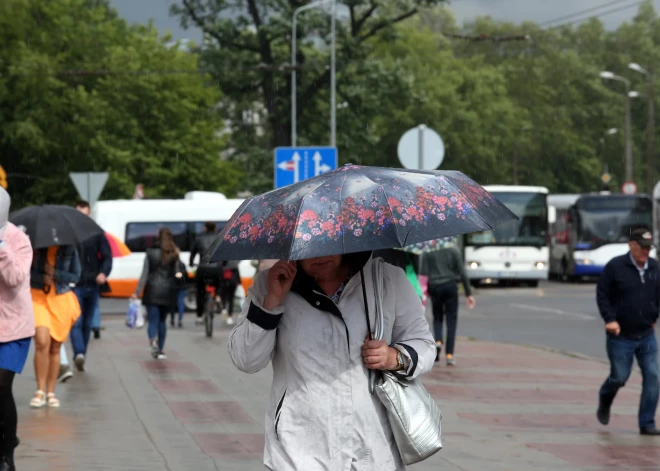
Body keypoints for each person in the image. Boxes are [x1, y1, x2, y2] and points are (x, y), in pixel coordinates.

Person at [229, 252, 435, 470]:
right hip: (297, 450)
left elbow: (423, 343)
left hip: (371, 450)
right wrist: (271, 303)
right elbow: (246, 359)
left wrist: (394, 357)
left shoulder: (386, 279)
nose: (318, 255)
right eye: (308, 247)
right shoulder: (271, 283)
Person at [596, 227, 660, 435]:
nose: (646, 252)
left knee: (653, 376)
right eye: (642, 247)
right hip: (620, 334)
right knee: (619, 377)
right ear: (631, 246)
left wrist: (653, 316)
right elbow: (603, 294)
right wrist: (610, 319)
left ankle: (647, 423)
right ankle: (605, 399)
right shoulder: (616, 266)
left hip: (646, 335)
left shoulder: (655, 267)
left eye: (648, 248)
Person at [0, 187, 34, 469]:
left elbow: (14, 278)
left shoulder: (17, 239)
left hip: (13, 327)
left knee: (1, 387)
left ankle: (6, 451)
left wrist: (0, 246)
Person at [30, 244, 81, 408]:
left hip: (61, 298)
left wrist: (55, 274)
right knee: (41, 342)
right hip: (38, 297)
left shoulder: (70, 248)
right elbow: (26, 272)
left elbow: (76, 276)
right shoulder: (37, 247)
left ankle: (51, 391)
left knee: (55, 347)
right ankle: (39, 390)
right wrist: (41, 278)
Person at [70, 200, 112, 371]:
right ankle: (79, 353)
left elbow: (107, 256)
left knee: (87, 322)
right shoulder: (69, 234)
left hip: (93, 283)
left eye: (84, 214)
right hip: (74, 284)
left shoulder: (96, 233)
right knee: (76, 321)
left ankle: (82, 354)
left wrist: (104, 273)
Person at [420, 243, 476, 365]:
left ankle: (438, 341)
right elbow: (462, 272)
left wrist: (425, 291)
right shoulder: (453, 249)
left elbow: (423, 272)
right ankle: (449, 354)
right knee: (451, 320)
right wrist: (468, 293)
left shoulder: (429, 249)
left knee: (437, 318)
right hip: (450, 285)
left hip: (434, 286)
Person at [132, 228, 180, 360]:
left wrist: (137, 292)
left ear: (158, 237)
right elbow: (177, 274)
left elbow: (144, 274)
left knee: (153, 320)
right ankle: (161, 349)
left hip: (152, 291)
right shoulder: (174, 253)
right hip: (168, 291)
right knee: (162, 321)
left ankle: (152, 339)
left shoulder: (150, 252)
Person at [190, 222, 220, 325]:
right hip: (216, 269)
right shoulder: (219, 238)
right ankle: (218, 297)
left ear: (205, 228)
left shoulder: (199, 238)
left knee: (200, 292)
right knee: (220, 284)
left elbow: (193, 253)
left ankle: (199, 316)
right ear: (215, 228)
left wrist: (191, 263)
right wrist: (223, 264)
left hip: (203, 269)